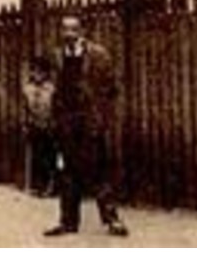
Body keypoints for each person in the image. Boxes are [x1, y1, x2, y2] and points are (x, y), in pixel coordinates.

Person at [44, 15, 129, 238]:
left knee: (99, 171)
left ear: (82, 31)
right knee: (67, 172)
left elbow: (111, 89)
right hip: (66, 122)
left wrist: (101, 117)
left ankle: (112, 220)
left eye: (73, 29)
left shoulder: (98, 55)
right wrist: (56, 118)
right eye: (65, 29)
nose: (69, 34)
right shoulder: (56, 56)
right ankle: (68, 221)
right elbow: (53, 89)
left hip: (90, 121)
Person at [21, 55, 59, 197]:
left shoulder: (51, 89)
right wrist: (25, 123)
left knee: (50, 157)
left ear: (46, 73)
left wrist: (54, 124)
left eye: (40, 72)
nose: (37, 75)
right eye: (34, 71)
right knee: (36, 156)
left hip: (49, 126)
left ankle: (51, 186)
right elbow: (25, 108)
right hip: (34, 125)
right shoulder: (28, 88)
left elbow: (55, 108)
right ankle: (36, 185)